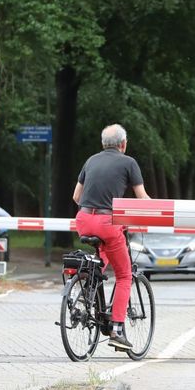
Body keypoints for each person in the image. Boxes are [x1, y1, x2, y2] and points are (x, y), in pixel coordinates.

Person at [73, 124, 151, 350]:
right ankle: (116, 329)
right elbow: (142, 198)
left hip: (83, 220)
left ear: (102, 144)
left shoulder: (90, 160)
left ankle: (90, 285)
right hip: (108, 223)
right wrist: (157, 213)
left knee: (102, 255)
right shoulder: (129, 162)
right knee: (125, 275)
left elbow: (77, 196)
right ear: (123, 144)